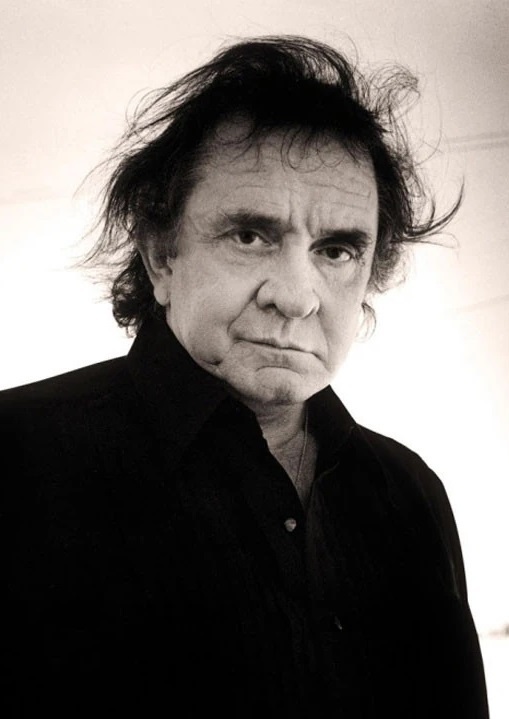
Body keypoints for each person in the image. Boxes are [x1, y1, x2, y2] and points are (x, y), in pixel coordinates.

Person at [2, 35, 489, 718]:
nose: (295, 296)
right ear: (161, 254)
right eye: (250, 236)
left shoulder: (409, 493)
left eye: (337, 250)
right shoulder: (15, 458)